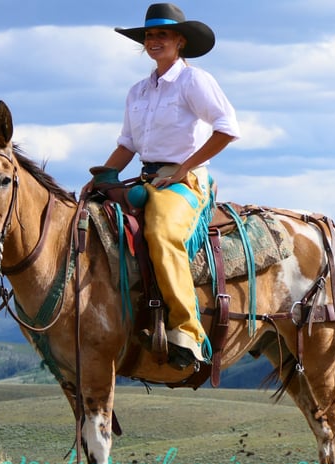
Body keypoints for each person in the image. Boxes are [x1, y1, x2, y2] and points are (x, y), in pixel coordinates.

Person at [85, 3, 240, 370]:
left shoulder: (194, 81)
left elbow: (227, 128)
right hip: (147, 177)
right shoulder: (138, 91)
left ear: (180, 42)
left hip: (186, 180)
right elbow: (127, 144)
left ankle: (187, 330)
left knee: (161, 231)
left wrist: (183, 168)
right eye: (149, 36)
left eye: (162, 35)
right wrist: (99, 178)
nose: (154, 41)